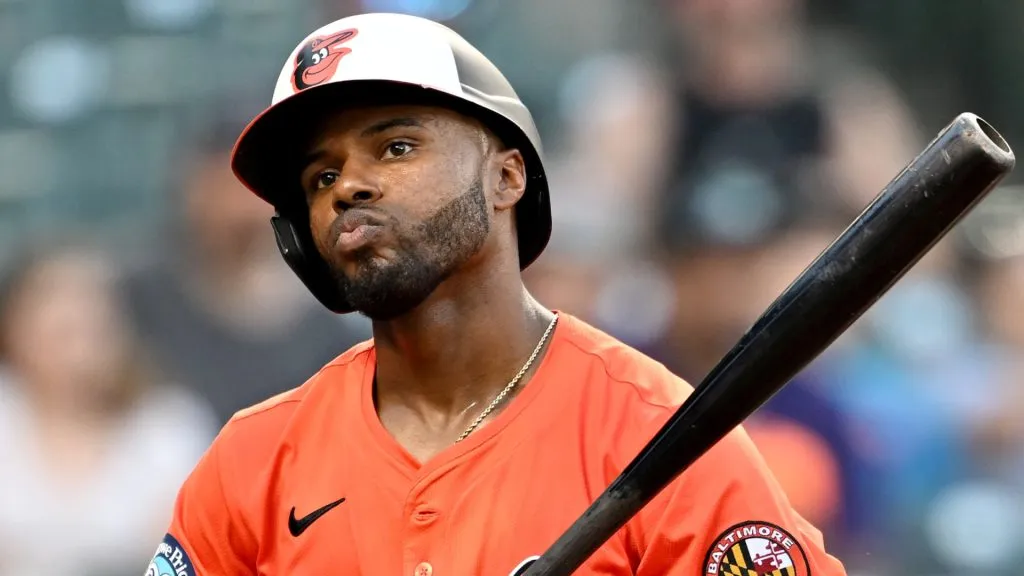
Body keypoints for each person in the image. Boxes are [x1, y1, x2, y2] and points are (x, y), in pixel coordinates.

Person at [146, 12, 848, 576]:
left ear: (508, 177)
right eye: (321, 177)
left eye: (395, 147)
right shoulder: (253, 462)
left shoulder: (650, 436)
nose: (349, 186)